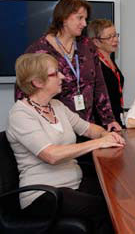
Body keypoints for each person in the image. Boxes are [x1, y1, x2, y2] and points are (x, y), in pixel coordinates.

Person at [7, 53, 125, 233]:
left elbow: (88, 129)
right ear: (37, 82)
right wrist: (99, 143)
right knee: (108, 209)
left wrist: (105, 134)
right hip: (43, 194)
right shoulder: (20, 114)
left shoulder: (57, 106)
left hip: (73, 184)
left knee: (118, 194)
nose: (62, 76)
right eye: (55, 74)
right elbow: (51, 155)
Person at [15, 0, 121, 131]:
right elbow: (23, 92)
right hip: (53, 129)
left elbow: (99, 84)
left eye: (85, 19)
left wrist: (109, 118)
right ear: (64, 18)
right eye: (80, 18)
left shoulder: (87, 46)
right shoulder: (38, 50)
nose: (84, 24)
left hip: (87, 125)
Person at [88, 19, 125, 127]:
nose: (115, 40)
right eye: (109, 37)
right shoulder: (93, 64)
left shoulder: (110, 59)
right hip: (102, 122)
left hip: (116, 118)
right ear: (96, 42)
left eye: (115, 35)